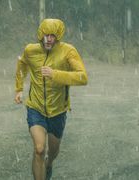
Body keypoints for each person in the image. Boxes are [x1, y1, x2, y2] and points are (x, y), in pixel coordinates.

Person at [14, 18, 88, 180]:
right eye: (46, 35)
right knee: (39, 149)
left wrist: (55, 74)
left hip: (58, 111)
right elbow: (22, 65)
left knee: (52, 152)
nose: (49, 39)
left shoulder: (68, 51)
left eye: (53, 36)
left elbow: (83, 77)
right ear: (40, 35)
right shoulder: (30, 50)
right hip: (36, 108)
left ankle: (49, 164)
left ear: (58, 37)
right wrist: (19, 88)